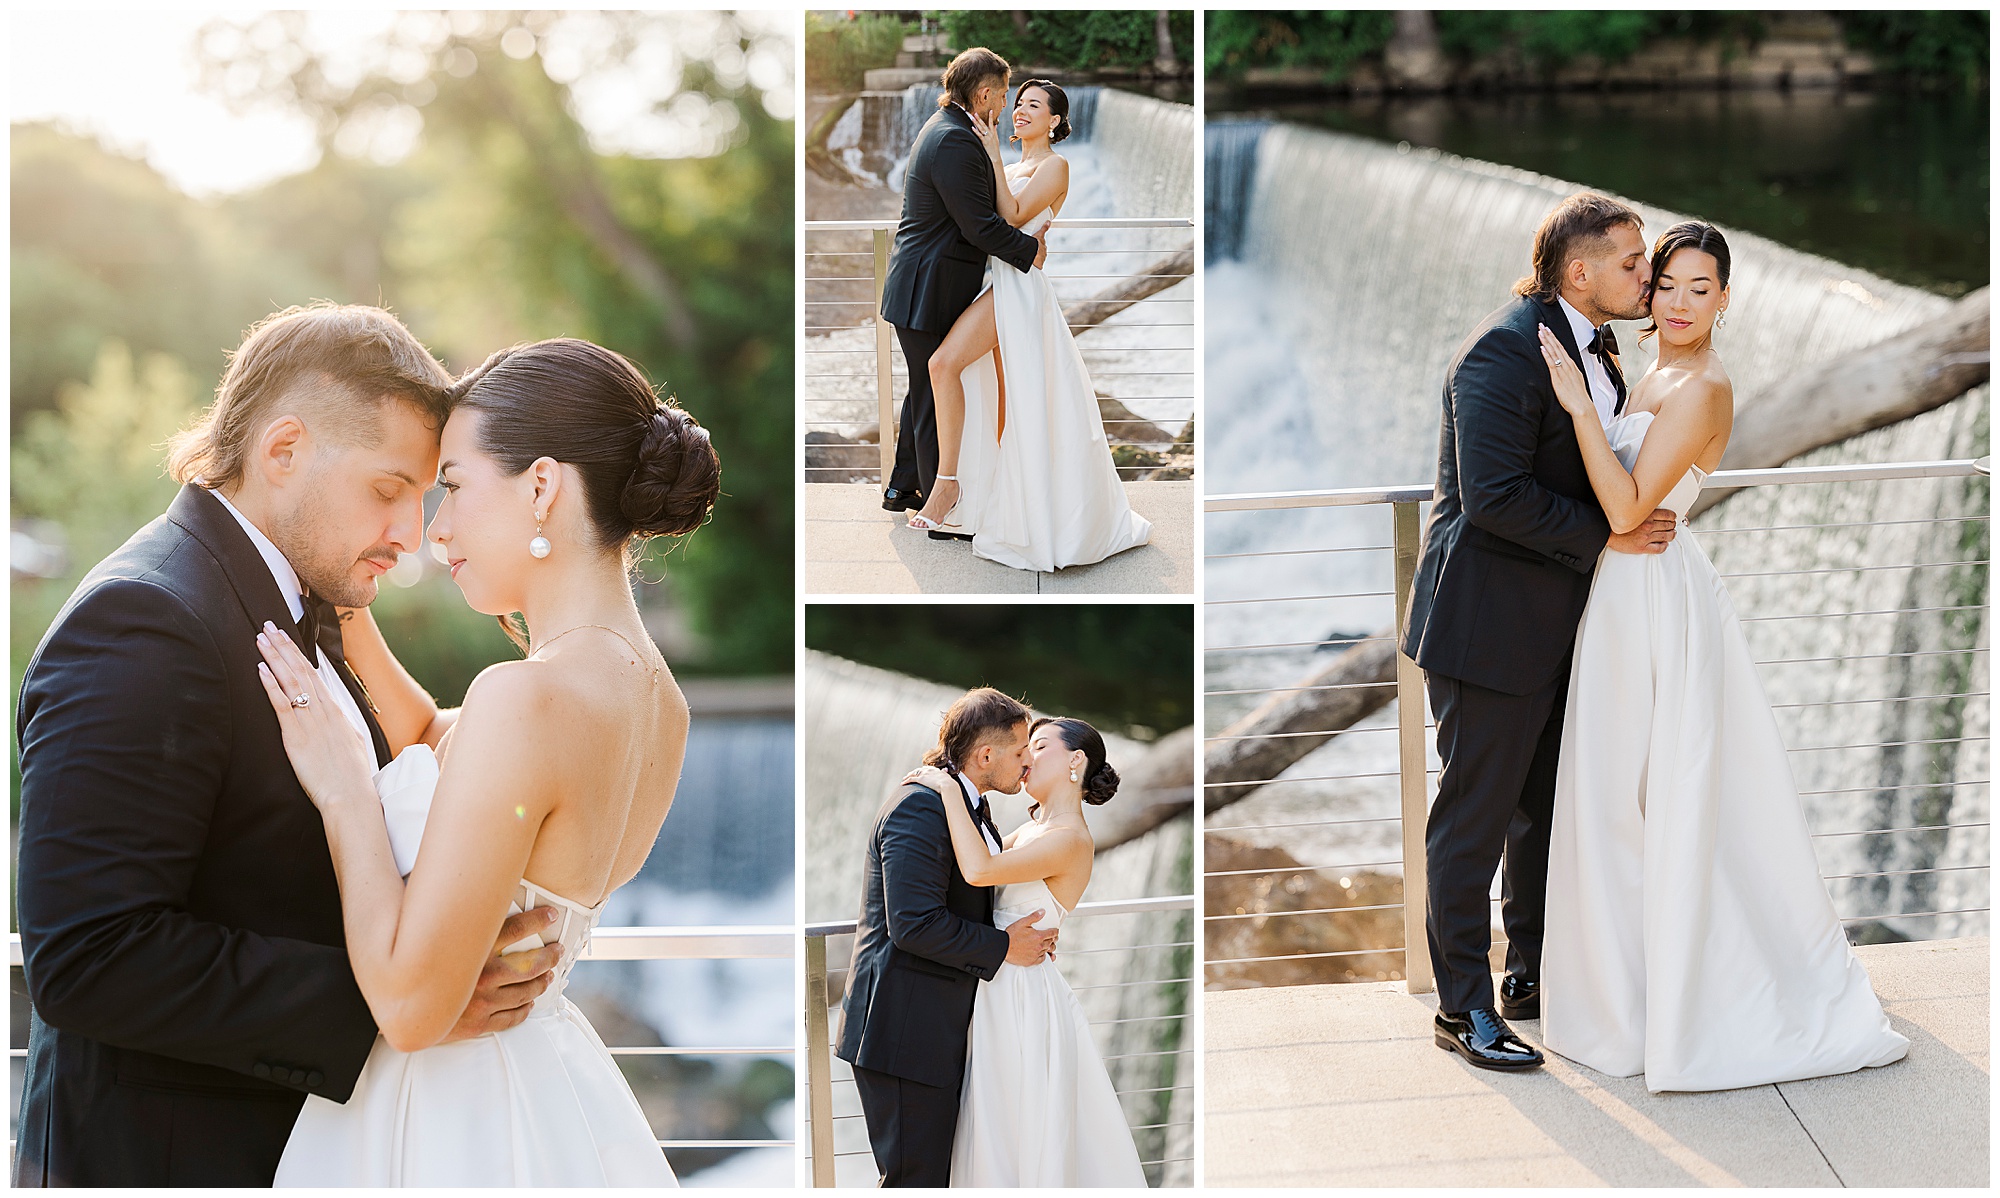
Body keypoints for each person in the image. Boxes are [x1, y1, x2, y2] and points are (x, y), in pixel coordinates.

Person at [13, 305, 566, 1187]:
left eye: (424, 499)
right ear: (283, 451)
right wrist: (409, 998)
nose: (409, 533)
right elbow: (89, 957)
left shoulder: (301, 600)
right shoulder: (145, 621)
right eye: (389, 490)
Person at [259, 337, 721, 1184]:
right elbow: (442, 742)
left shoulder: (526, 697)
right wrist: (341, 585)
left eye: (458, 488)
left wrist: (346, 796)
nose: (436, 531)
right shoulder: (656, 701)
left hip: (444, 1117)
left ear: (541, 486)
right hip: (539, 1093)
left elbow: (406, 1005)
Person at [1537, 221, 1910, 1091]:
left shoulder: (1703, 387)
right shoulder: (1651, 369)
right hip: (1621, 597)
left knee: (1652, 792)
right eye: (1666, 283)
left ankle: (1679, 1001)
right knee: (1612, 795)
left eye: (1699, 289)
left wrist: (1581, 409)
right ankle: (1618, 994)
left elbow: (1630, 509)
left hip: (1656, 597)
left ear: (1725, 301)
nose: (1677, 301)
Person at [1399, 193, 1679, 1071]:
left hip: (1566, 625)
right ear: (1578, 271)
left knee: (1548, 813)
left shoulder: (1599, 347)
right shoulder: (1504, 351)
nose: (1650, 276)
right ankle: (1462, 1010)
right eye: (1633, 263)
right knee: (1473, 823)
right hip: (1489, 624)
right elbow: (1493, 496)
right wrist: (1613, 536)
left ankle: (1529, 974)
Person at [908, 78, 1154, 572]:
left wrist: (994, 154)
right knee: (1003, 400)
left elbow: (1015, 213)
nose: (1019, 111)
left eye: (1033, 106)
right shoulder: (1013, 163)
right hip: (995, 283)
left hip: (1017, 291)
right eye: (1017, 104)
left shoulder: (1054, 166)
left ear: (1056, 121)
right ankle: (1003, 498)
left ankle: (947, 485)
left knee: (943, 365)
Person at [904, 716, 1148, 1187]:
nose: (1025, 757)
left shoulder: (1070, 839)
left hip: (1021, 997)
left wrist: (948, 787)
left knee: (1015, 1122)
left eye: (1037, 745)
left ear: (1075, 760)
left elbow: (979, 870)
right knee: (995, 1122)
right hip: (997, 983)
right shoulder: (1034, 828)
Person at [835, 688, 1060, 1186]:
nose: (1027, 764)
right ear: (986, 755)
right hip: (903, 1033)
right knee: (914, 1182)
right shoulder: (920, 808)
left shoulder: (964, 804)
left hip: (935, 1027)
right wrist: (1004, 948)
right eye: (1021, 752)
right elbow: (913, 923)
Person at [879, 47, 1047, 521]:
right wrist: (1029, 251)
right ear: (986, 92)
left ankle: (902, 488)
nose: (1005, 106)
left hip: (922, 285)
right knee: (933, 392)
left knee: (922, 389)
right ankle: (940, 504)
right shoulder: (954, 139)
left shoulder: (948, 128)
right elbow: (977, 224)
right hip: (927, 289)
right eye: (1003, 96)